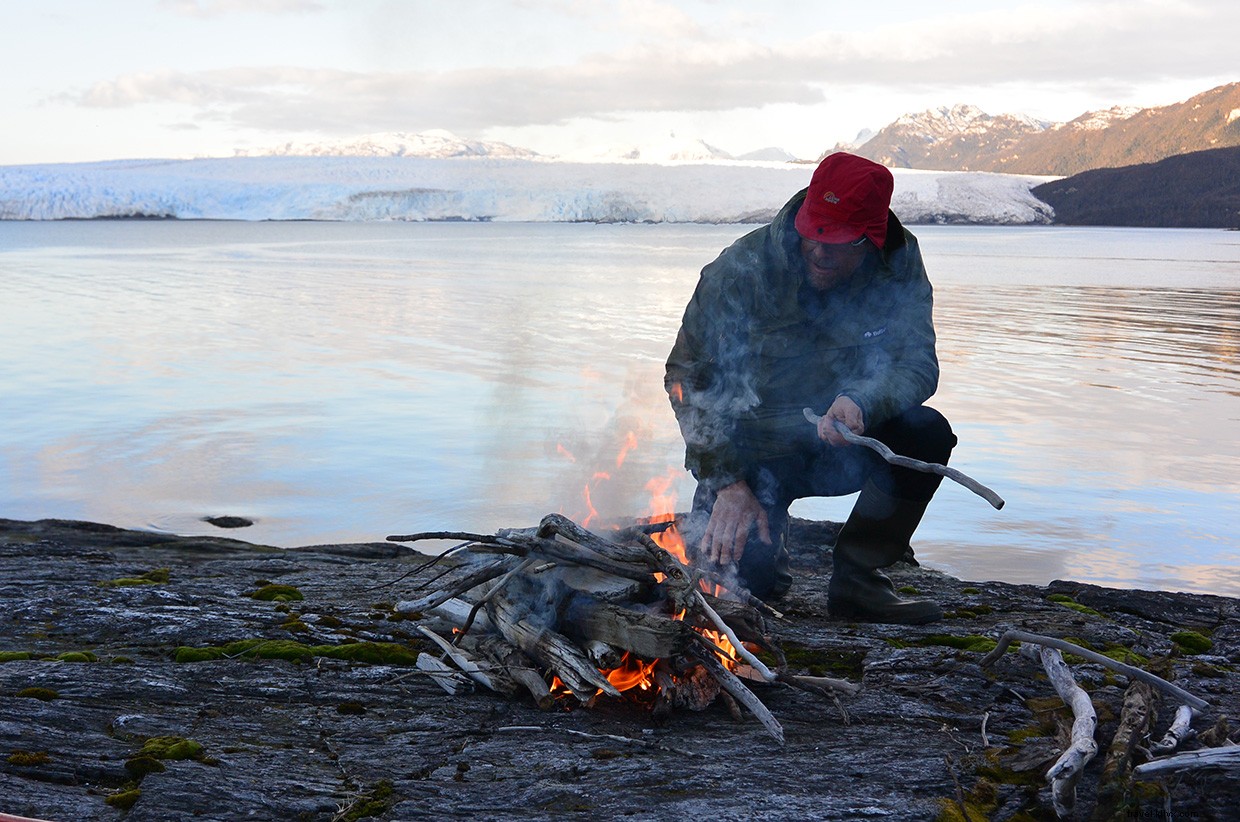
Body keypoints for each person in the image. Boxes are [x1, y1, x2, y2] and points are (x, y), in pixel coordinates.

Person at [664, 152, 956, 625]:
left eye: (838, 242)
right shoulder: (740, 271)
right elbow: (686, 378)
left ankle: (858, 579)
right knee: (740, 589)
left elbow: (918, 363)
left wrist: (861, 399)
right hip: (753, 453)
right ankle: (767, 543)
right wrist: (728, 483)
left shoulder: (897, 265)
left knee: (925, 433)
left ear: (871, 238)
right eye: (813, 233)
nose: (820, 251)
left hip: (841, 440)